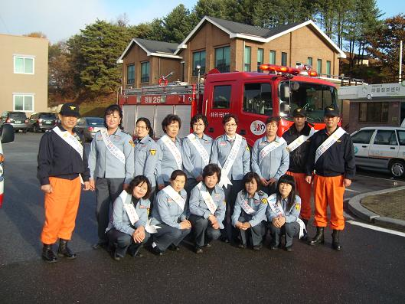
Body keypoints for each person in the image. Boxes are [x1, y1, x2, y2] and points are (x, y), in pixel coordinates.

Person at [37, 103, 91, 263]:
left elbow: (83, 159)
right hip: (57, 181)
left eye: (74, 117)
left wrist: (86, 178)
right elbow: (43, 160)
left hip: (74, 180)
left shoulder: (78, 136)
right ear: (60, 117)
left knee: (69, 215)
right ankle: (47, 247)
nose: (71, 119)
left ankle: (63, 245)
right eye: (68, 116)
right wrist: (44, 181)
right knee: (54, 216)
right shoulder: (50, 136)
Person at [305, 106, 355, 251]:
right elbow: (310, 156)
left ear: (338, 119)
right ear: (324, 119)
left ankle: (335, 236)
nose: (329, 119)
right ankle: (320, 234)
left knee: (336, 209)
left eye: (333, 117)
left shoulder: (344, 137)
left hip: (337, 178)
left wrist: (349, 175)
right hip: (319, 176)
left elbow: (350, 158)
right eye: (327, 116)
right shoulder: (318, 136)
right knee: (319, 207)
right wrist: (308, 172)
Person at [88, 105, 135, 249]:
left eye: (115, 116)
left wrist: (128, 180)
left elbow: (130, 161)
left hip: (119, 180)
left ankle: (117, 239)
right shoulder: (99, 136)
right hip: (101, 178)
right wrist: (91, 176)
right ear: (105, 118)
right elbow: (93, 157)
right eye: (109, 116)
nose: (111, 119)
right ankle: (102, 238)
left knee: (119, 211)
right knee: (100, 211)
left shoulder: (126, 138)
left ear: (120, 119)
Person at [210, 114, 250, 243]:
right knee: (221, 206)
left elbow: (246, 162)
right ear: (223, 126)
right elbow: (214, 161)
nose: (230, 127)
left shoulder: (242, 142)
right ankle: (222, 232)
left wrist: (246, 178)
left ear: (237, 126)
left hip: (238, 179)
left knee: (235, 207)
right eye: (227, 124)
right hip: (222, 180)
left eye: (233, 124)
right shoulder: (218, 141)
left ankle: (235, 233)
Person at [282, 108, 315, 232]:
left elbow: (313, 155)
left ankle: (304, 224)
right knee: (287, 198)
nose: (299, 119)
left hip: (303, 173)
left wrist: (310, 171)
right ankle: (286, 223)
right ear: (293, 118)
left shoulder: (312, 134)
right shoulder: (287, 133)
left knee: (305, 201)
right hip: (289, 171)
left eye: (301, 117)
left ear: (305, 119)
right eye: (296, 117)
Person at [106, 176, 152, 261]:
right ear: (133, 186)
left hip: (134, 227)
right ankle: (119, 251)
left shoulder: (146, 202)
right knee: (125, 239)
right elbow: (117, 223)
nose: (141, 190)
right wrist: (133, 232)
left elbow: (143, 219)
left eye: (144, 188)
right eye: (139, 186)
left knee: (146, 235)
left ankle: (133, 249)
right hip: (116, 228)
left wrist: (141, 228)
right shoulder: (121, 199)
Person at [150, 170, 191, 255]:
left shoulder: (183, 192)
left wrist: (183, 219)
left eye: (182, 182)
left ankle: (172, 243)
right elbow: (164, 217)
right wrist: (179, 225)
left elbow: (184, 209)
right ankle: (157, 245)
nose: (179, 184)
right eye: (177, 181)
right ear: (171, 180)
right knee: (176, 231)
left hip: (172, 223)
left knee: (187, 227)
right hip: (158, 224)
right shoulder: (163, 194)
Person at [189, 164, 225, 253]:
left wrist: (218, 221)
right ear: (204, 177)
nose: (211, 180)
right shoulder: (197, 189)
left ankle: (205, 241)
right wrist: (208, 215)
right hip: (197, 216)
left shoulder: (220, 191)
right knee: (202, 221)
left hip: (212, 218)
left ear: (218, 179)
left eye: (214, 177)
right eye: (209, 177)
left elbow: (221, 209)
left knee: (215, 233)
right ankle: (198, 244)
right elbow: (192, 207)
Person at [251, 116, 289, 195]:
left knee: (274, 204)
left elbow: (285, 162)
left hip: (276, 181)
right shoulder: (258, 142)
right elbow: (254, 161)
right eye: (268, 125)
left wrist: (276, 177)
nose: (270, 128)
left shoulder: (282, 143)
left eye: (273, 126)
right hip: (261, 180)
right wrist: (260, 177)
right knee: (261, 203)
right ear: (265, 127)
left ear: (277, 128)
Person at [267, 174, 303, 252]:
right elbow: (269, 212)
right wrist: (273, 219)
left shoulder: (297, 199)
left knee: (288, 226)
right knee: (273, 225)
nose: (284, 187)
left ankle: (288, 244)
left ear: (292, 187)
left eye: (287, 185)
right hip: (277, 221)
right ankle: (276, 242)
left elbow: (294, 215)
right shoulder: (273, 197)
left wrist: (284, 219)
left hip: (291, 223)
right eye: (282, 184)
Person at [232, 172, 268, 251]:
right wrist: (235, 221)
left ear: (257, 184)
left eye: (252, 183)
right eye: (247, 182)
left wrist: (250, 223)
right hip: (246, 219)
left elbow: (260, 215)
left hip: (259, 222)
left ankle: (257, 242)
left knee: (255, 223)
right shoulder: (240, 194)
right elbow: (236, 210)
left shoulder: (263, 196)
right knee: (240, 220)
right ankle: (244, 242)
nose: (250, 185)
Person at [182, 114, 213, 196]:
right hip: (191, 178)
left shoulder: (210, 140)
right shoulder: (187, 140)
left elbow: (212, 159)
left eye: (200, 124)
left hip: (207, 179)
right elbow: (186, 161)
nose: (198, 127)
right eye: (195, 124)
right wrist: (197, 175)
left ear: (205, 125)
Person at [133, 117, 158, 200]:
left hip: (145, 185)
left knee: (144, 210)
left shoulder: (151, 145)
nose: (139, 129)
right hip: (135, 183)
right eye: (138, 127)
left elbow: (149, 169)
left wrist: (143, 185)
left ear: (148, 129)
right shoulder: (135, 143)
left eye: (142, 127)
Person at [157, 114, 183, 190]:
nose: (174, 129)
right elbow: (157, 164)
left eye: (176, 126)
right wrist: (160, 182)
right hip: (166, 180)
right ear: (165, 127)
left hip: (179, 181)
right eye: (171, 126)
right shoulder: (160, 143)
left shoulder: (180, 142)